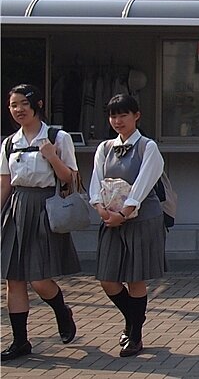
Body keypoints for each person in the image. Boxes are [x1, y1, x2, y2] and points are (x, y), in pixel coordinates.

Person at [0, 84, 80, 361]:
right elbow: (4, 184)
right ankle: (20, 341)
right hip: (16, 207)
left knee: (38, 278)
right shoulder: (10, 142)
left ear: (38, 105)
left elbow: (70, 178)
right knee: (14, 278)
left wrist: (51, 156)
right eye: (13, 105)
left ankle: (61, 309)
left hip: (45, 207)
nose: (18, 109)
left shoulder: (58, 137)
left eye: (23, 103)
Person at [89, 94, 167, 358]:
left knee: (135, 277)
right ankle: (134, 321)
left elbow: (145, 183)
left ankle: (134, 336)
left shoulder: (148, 147)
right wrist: (100, 208)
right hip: (110, 219)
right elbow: (95, 182)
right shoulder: (104, 148)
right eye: (113, 116)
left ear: (137, 116)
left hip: (141, 219)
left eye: (123, 115)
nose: (118, 121)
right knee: (107, 278)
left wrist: (125, 211)